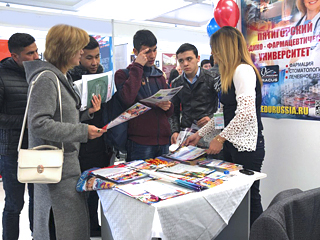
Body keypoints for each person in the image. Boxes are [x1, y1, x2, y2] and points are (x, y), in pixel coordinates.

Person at [23, 24, 106, 240]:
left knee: (67, 224)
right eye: (78, 48)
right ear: (66, 48)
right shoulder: (47, 79)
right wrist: (82, 131)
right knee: (58, 225)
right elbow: (39, 123)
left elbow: (61, 117)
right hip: (54, 168)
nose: (81, 52)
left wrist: (87, 115)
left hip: (65, 165)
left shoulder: (61, 76)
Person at [186, 26, 265, 226]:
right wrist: (201, 134)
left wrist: (220, 138)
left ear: (224, 47)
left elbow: (245, 113)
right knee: (234, 201)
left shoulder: (243, 70)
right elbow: (224, 113)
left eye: (214, 48)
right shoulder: (229, 73)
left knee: (250, 200)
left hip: (245, 147)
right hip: (232, 144)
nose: (212, 53)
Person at [69, 35, 109, 237]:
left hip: (101, 143)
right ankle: (83, 228)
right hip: (79, 144)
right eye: (88, 58)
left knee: (96, 188)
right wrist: (90, 113)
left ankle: (94, 225)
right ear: (78, 55)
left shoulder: (103, 76)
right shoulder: (70, 79)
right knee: (80, 191)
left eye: (97, 57)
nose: (94, 63)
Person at [0, 33, 39, 240]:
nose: (36, 57)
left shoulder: (38, 74)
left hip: (36, 147)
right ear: (15, 56)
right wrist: (26, 122)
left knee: (37, 200)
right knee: (14, 204)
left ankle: (37, 235)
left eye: (36, 51)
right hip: (11, 151)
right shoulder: (1, 75)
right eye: (30, 53)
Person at [114, 29, 173, 161]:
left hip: (163, 141)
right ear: (136, 52)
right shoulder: (123, 74)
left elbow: (169, 113)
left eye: (155, 50)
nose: (152, 55)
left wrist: (167, 105)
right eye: (147, 51)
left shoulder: (159, 75)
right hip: (139, 142)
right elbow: (127, 99)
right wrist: (138, 66)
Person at [170, 43, 221, 155]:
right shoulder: (176, 83)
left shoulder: (213, 78)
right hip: (186, 134)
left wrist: (213, 119)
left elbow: (223, 107)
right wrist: (174, 131)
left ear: (198, 59)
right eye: (181, 61)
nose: (185, 64)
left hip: (209, 133)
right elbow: (173, 111)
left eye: (189, 59)